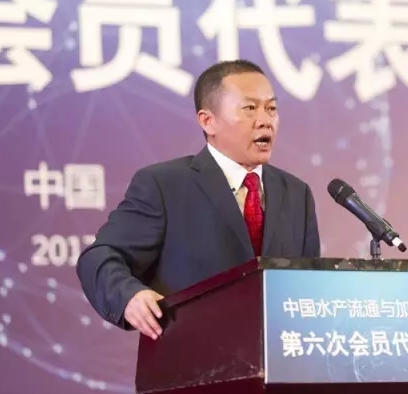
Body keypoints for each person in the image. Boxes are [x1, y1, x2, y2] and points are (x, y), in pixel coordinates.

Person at [76, 59, 320, 340]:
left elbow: (310, 285)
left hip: (280, 355)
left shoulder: (296, 193)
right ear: (208, 121)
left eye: (272, 108)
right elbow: (99, 256)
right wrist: (130, 296)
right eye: (250, 108)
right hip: (191, 353)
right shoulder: (165, 185)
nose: (265, 120)